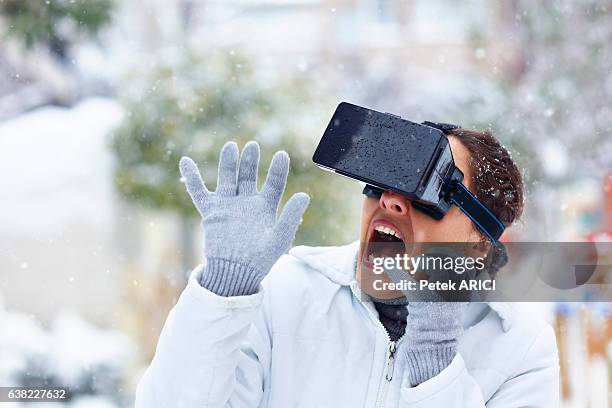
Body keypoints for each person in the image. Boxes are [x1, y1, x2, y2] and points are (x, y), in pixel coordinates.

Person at [135, 128, 559, 407]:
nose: (391, 201)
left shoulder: (520, 348)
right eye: (383, 181)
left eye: (432, 190)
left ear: (480, 243)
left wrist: (435, 363)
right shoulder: (286, 294)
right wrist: (224, 293)